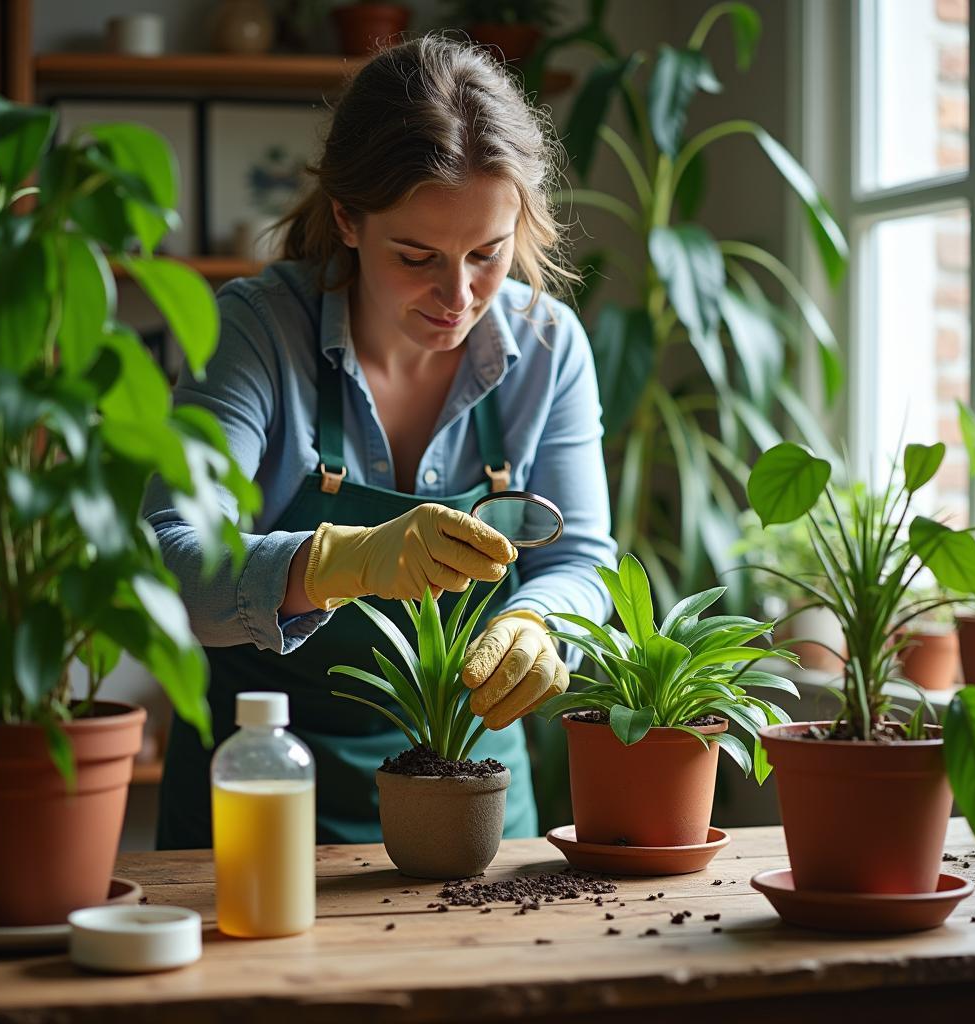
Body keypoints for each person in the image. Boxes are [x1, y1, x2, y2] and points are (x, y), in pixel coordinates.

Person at [146, 34, 617, 848]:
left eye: (487, 253)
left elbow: (582, 560)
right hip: (262, 802)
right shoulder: (257, 332)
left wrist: (540, 621)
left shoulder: (549, 348)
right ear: (347, 219)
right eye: (417, 255)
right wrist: (339, 562)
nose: (458, 294)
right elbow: (167, 557)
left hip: (480, 819)